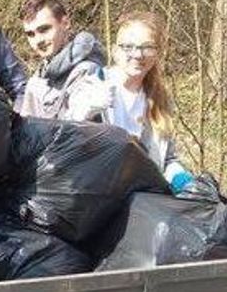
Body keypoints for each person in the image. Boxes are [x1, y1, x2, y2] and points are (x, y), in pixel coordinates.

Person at [70, 10, 194, 192]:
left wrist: (182, 180)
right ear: (114, 51)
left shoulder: (161, 100)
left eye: (147, 47)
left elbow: (167, 160)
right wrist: (87, 112)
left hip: (143, 202)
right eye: (128, 47)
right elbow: (69, 139)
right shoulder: (92, 87)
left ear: (157, 53)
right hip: (97, 200)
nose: (138, 55)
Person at [16, 0, 106, 119]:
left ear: (65, 23)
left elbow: (77, 131)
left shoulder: (86, 71)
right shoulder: (38, 79)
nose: (38, 40)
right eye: (31, 34)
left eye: (44, 29)